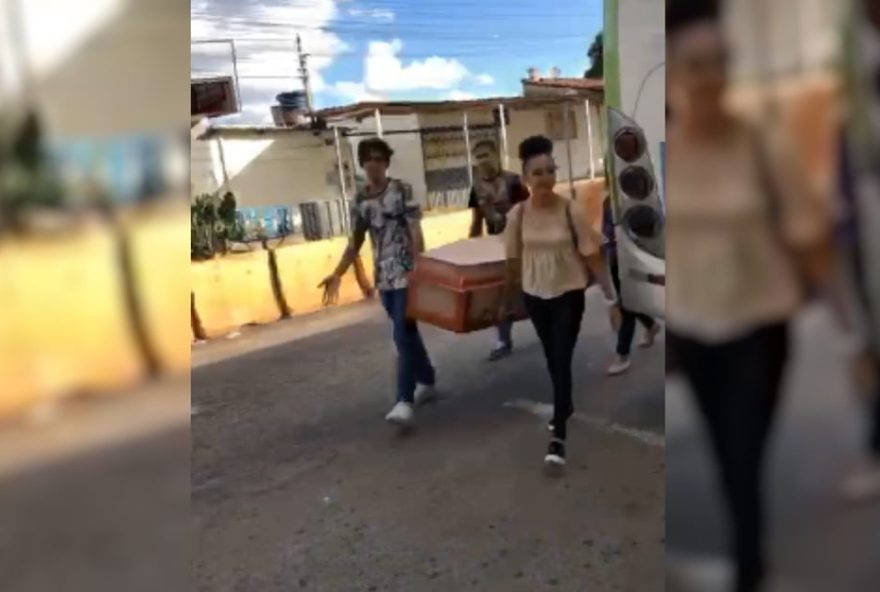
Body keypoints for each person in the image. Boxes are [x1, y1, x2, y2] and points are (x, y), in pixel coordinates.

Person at [666, 2, 837, 590]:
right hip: (692, 331)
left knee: (742, 457)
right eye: (696, 64)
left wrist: (845, 316)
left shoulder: (763, 143)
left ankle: (748, 568)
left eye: (721, 62)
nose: (711, 75)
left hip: (760, 327)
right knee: (725, 456)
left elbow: (808, 230)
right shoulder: (665, 157)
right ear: (674, 75)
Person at [500, 135, 620, 467]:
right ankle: (564, 404)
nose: (545, 179)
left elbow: (593, 257)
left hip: (569, 293)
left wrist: (612, 300)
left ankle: (558, 436)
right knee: (553, 356)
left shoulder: (571, 210)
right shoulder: (517, 216)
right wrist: (507, 301)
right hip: (534, 294)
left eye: (550, 171)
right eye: (537, 173)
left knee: (562, 355)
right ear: (525, 178)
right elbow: (512, 260)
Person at [319, 137, 436, 426]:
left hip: (406, 275)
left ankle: (404, 400)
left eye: (378, 158)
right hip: (384, 278)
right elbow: (356, 240)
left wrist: (420, 267)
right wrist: (338, 272)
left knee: (401, 335)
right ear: (362, 163)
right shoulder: (361, 200)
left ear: (386, 162)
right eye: (368, 158)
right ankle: (428, 379)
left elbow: (414, 230)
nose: (373, 163)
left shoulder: (400, 190)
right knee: (407, 334)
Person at [468, 139, 529, 361]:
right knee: (499, 292)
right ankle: (503, 338)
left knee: (528, 285)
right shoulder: (476, 187)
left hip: (521, 240)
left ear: (496, 155)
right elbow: (476, 220)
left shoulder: (513, 181)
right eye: (479, 156)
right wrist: (472, 246)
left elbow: (529, 210)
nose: (483, 160)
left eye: (487, 154)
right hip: (496, 243)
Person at [601, 190, 661, 376]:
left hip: (635, 260)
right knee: (630, 300)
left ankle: (622, 354)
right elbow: (606, 230)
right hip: (616, 259)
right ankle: (651, 325)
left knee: (627, 304)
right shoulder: (609, 200)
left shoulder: (643, 199)